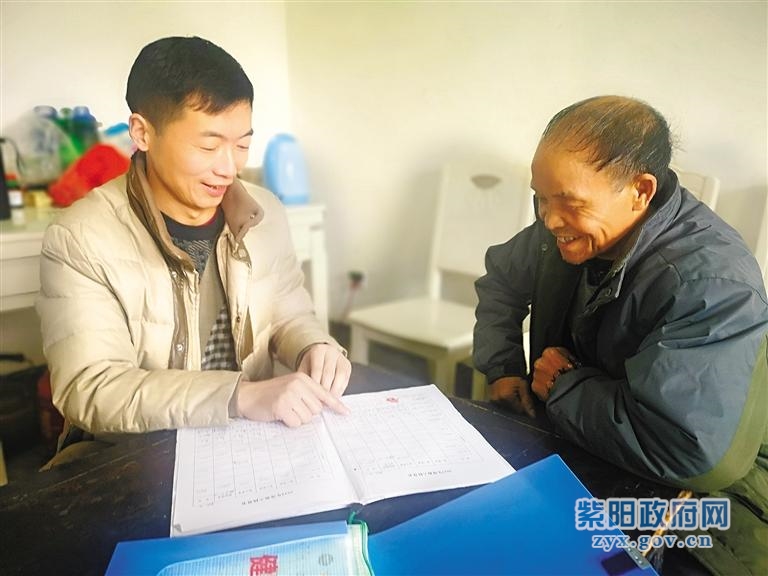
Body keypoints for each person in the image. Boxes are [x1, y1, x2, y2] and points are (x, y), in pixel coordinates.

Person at [473, 95, 768, 574]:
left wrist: (563, 385)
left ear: (640, 190)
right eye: (540, 198)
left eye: (569, 202)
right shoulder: (564, 231)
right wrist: (502, 367)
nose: (548, 219)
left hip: (708, 499)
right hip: (580, 440)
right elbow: (502, 280)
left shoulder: (710, 282)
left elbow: (694, 453)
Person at [36, 36, 351, 460]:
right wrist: (238, 395)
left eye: (242, 145)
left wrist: (314, 346)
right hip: (134, 454)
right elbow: (92, 388)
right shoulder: (80, 237)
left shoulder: (264, 214)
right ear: (142, 133)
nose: (228, 168)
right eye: (208, 146)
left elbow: (289, 313)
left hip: (247, 440)